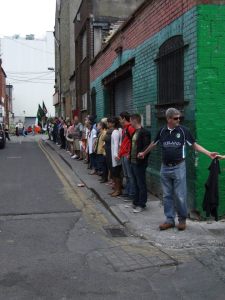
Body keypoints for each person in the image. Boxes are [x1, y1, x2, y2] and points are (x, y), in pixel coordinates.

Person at [138, 108, 217, 231]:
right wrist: (144, 152)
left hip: (179, 167)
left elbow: (194, 145)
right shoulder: (162, 131)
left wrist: (208, 153)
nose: (178, 120)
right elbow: (154, 143)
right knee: (167, 195)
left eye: (179, 117)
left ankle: (182, 219)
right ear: (168, 119)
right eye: (175, 118)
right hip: (165, 168)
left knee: (180, 195)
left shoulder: (183, 131)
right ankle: (169, 220)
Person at [129, 114, 151, 213]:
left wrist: (142, 155)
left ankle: (142, 204)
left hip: (140, 162)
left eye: (130, 121)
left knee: (141, 183)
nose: (130, 123)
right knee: (135, 182)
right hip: (133, 161)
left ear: (135, 121)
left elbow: (147, 147)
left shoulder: (144, 132)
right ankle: (136, 201)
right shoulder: (135, 132)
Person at [117, 112, 136, 199]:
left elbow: (133, 141)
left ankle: (132, 193)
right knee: (126, 175)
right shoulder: (124, 128)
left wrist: (129, 153)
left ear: (124, 118)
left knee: (130, 175)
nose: (119, 120)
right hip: (123, 154)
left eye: (120, 118)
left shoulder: (130, 128)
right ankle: (128, 191)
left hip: (127, 155)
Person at [109, 117, 122, 197]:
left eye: (110, 122)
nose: (108, 124)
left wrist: (116, 155)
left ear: (113, 123)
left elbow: (117, 144)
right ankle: (116, 189)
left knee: (117, 174)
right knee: (115, 174)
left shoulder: (116, 132)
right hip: (114, 156)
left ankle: (118, 190)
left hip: (116, 157)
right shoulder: (115, 131)